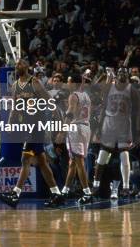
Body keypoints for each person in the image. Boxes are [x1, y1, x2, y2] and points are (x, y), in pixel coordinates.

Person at [0, 59, 65, 208]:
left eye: (20, 64)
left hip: (36, 126)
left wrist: (59, 123)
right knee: (41, 161)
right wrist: (9, 123)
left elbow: (49, 100)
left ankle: (15, 194)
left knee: (25, 159)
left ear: (27, 67)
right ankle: (57, 194)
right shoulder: (15, 85)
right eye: (16, 65)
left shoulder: (34, 82)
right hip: (26, 126)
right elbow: (15, 106)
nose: (17, 66)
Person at [92, 67, 140, 199]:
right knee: (102, 156)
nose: (122, 75)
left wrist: (137, 133)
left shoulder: (132, 90)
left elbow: (137, 112)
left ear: (128, 75)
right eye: (119, 73)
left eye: (124, 73)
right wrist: (98, 127)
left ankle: (125, 187)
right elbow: (103, 108)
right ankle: (95, 185)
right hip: (108, 125)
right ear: (116, 75)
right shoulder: (109, 88)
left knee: (124, 156)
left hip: (124, 126)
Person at [60, 73, 93, 204]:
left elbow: (71, 111)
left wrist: (62, 130)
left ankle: (87, 192)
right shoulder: (85, 95)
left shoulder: (73, 96)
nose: (67, 84)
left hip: (76, 128)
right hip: (86, 127)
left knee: (78, 161)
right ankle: (65, 191)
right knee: (73, 162)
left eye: (68, 81)